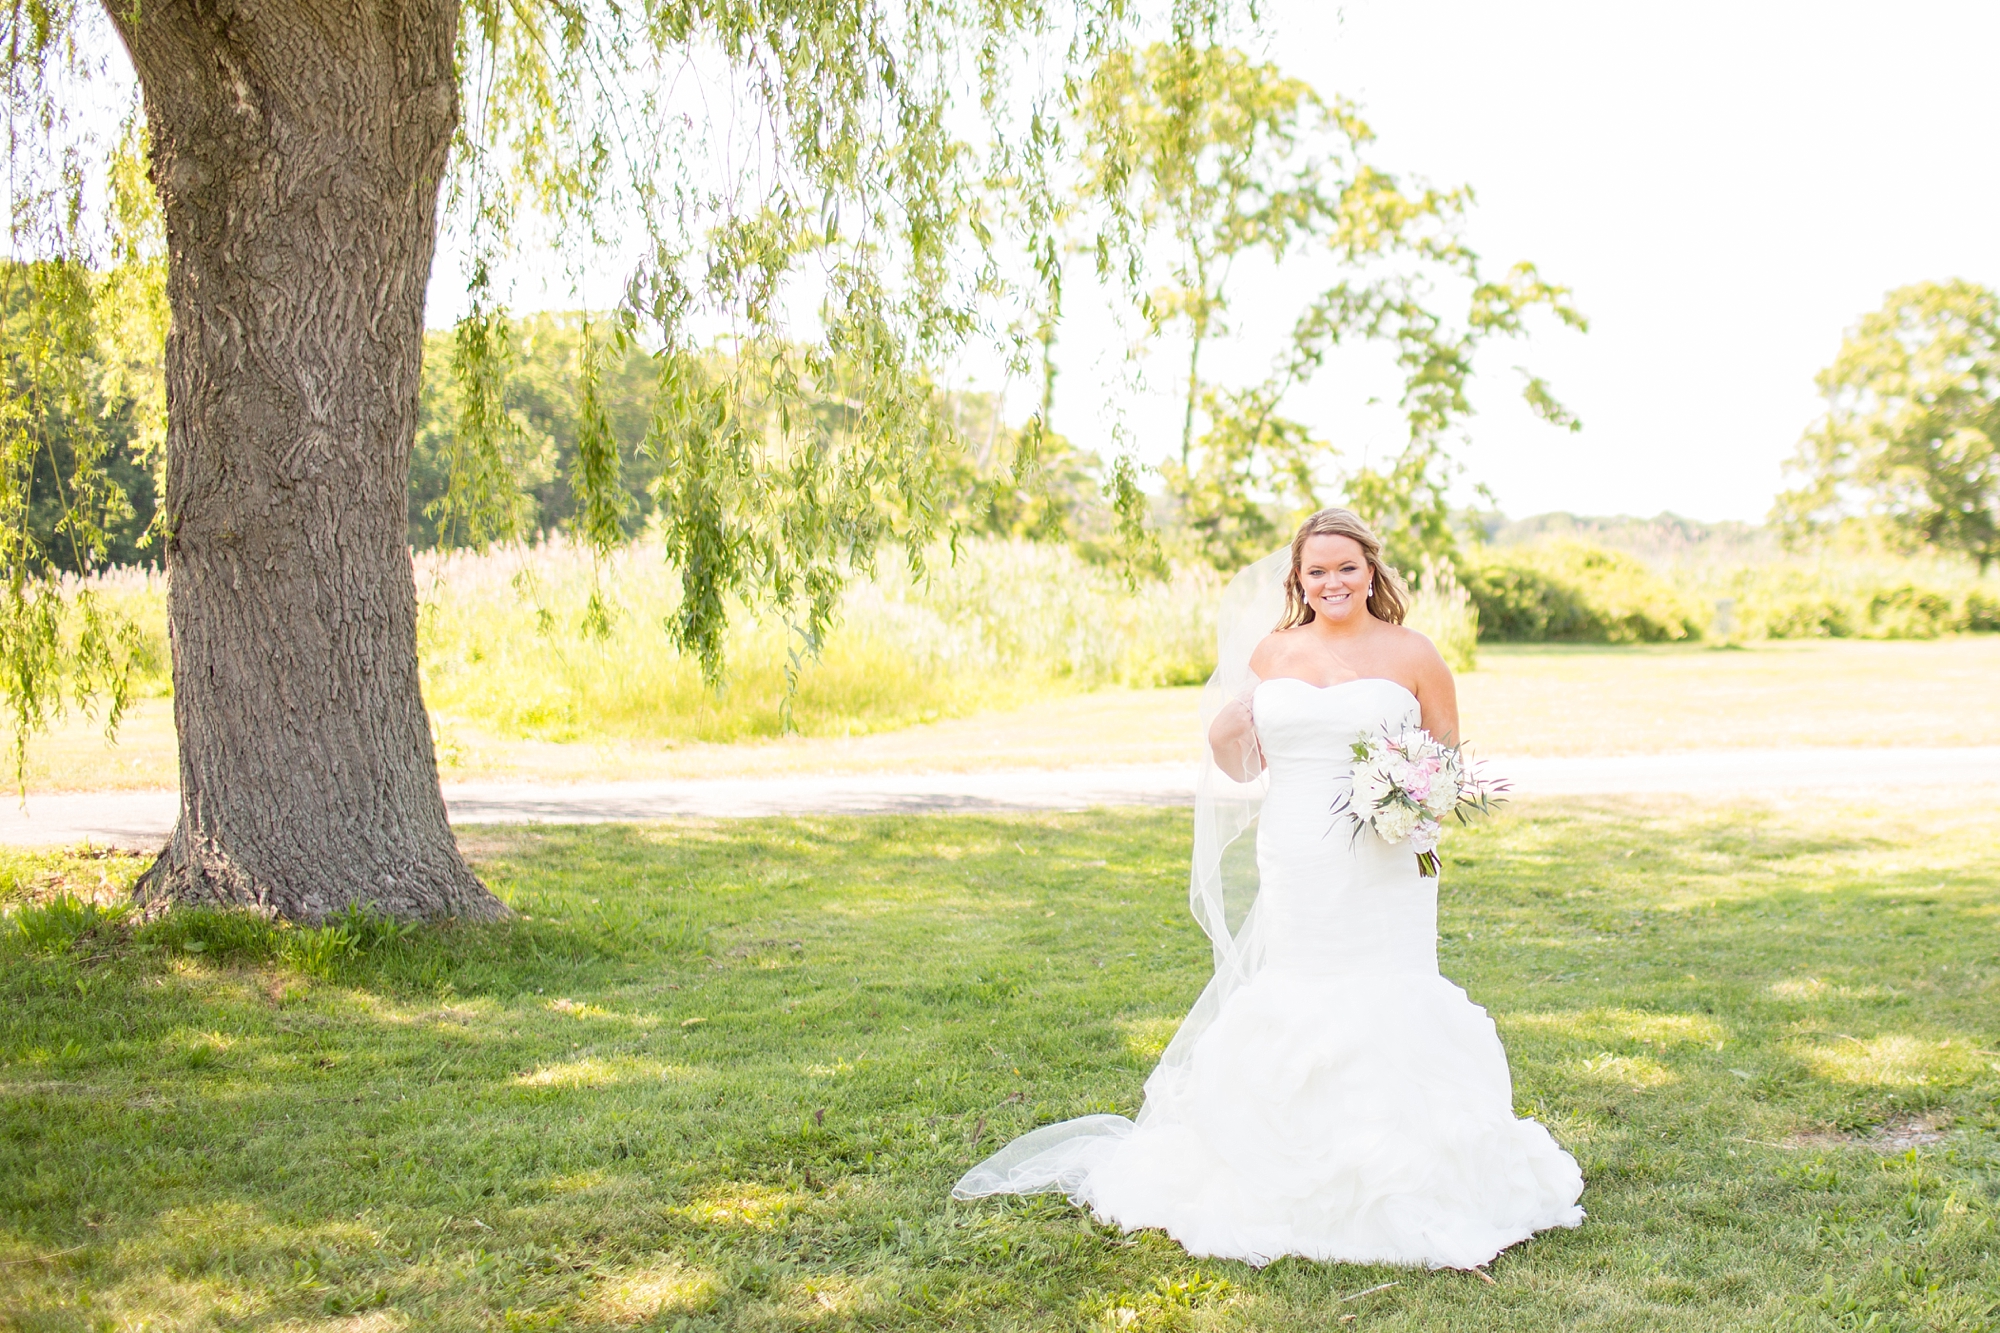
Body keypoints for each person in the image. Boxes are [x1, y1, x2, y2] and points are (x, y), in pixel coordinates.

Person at [952, 507, 1584, 1269]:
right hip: (1297, 851)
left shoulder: (1414, 652)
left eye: (1346, 566)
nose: (1332, 582)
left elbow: (1448, 762)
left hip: (1387, 858)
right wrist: (1222, 728)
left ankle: (1408, 1170)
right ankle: (1282, 1161)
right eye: (1316, 570)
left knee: (1387, 987)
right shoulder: (1273, 651)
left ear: (1371, 569)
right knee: (1300, 984)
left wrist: (1408, 799)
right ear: (1298, 579)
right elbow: (1242, 764)